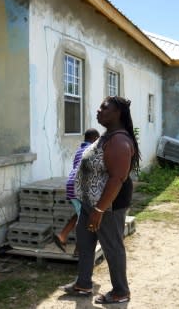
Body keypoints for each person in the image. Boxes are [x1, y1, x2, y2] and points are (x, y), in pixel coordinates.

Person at [60, 96, 140, 305]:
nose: (98, 110)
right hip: (89, 202)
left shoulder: (120, 141)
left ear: (118, 114)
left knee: (112, 246)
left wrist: (99, 209)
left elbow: (117, 178)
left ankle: (121, 291)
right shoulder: (107, 136)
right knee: (85, 243)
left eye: (104, 108)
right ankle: (83, 284)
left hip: (107, 206)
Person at [53, 128, 100, 254]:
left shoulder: (79, 150)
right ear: (95, 139)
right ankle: (79, 249)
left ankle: (62, 236)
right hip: (80, 187)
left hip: (71, 184)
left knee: (82, 213)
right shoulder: (93, 150)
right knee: (84, 219)